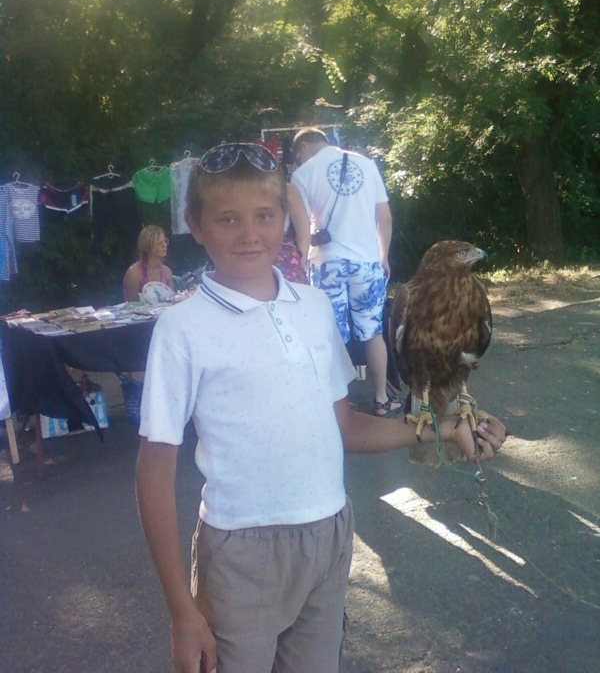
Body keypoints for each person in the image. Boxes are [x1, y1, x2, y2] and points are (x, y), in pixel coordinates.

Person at [135, 142, 507, 673]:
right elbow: (153, 472)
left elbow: (345, 425)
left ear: (287, 219)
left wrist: (441, 429)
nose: (249, 233)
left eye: (265, 215)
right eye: (228, 218)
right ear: (194, 225)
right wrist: (181, 611)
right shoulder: (181, 328)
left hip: (330, 534)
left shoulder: (313, 307)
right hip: (241, 552)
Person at [290, 126, 398, 416]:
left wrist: (303, 263)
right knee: (373, 333)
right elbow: (384, 218)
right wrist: (383, 256)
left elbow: (302, 232)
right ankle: (381, 399)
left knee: (331, 337)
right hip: (367, 262)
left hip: (326, 264)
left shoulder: (301, 175)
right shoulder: (367, 165)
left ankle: (339, 404)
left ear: (302, 149)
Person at [122, 224, 174, 302]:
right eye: (160, 243)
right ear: (147, 247)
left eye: (165, 241)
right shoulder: (134, 273)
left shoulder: (167, 272)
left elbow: (171, 301)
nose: (164, 245)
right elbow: (132, 304)